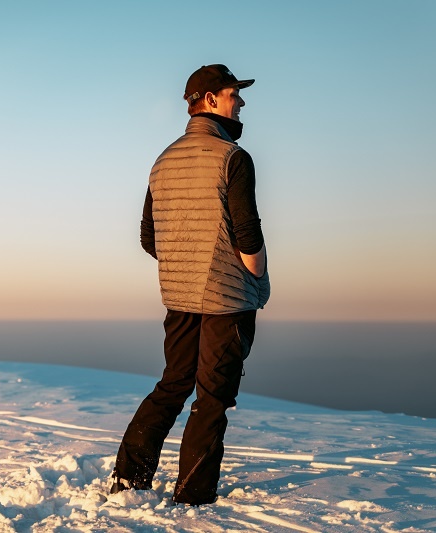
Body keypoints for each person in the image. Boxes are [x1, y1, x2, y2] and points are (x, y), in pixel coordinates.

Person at [111, 64, 270, 506]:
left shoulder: (163, 160)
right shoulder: (233, 157)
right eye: (234, 93)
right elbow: (248, 235)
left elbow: (149, 238)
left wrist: (186, 265)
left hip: (179, 297)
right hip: (227, 297)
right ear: (211, 100)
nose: (241, 101)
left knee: (173, 384)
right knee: (212, 396)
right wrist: (256, 276)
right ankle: (193, 496)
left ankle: (129, 478)